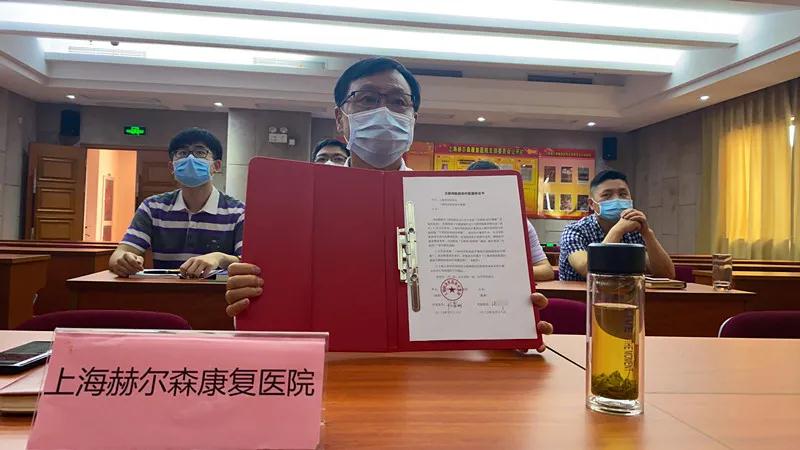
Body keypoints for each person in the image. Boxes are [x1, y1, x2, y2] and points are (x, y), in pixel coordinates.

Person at [225, 57, 552, 350]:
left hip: (430, 369)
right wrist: (251, 291)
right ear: (340, 118)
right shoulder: (293, 202)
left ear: (412, 118)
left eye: (398, 102)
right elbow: (273, 297)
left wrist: (509, 324)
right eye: (367, 98)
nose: (384, 111)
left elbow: (477, 292)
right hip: (328, 364)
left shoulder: (456, 205)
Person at [109, 127, 245, 278]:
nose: (190, 158)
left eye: (200, 152)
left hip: (217, 291)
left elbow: (247, 262)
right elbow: (119, 254)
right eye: (182, 153)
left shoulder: (238, 211)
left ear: (217, 166)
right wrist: (124, 260)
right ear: (171, 167)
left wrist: (219, 257)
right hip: (166, 290)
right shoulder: (153, 207)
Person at [558, 169, 675, 281]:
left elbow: (667, 274)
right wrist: (618, 230)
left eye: (623, 194)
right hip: (584, 293)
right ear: (592, 204)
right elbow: (587, 269)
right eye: (607, 195)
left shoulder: (634, 230)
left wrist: (647, 234)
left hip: (625, 293)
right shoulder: (574, 231)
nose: (617, 200)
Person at [466, 160, 554, 281]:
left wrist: (504, 272)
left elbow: (546, 271)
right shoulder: (451, 222)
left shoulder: (519, 222)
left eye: (493, 186)